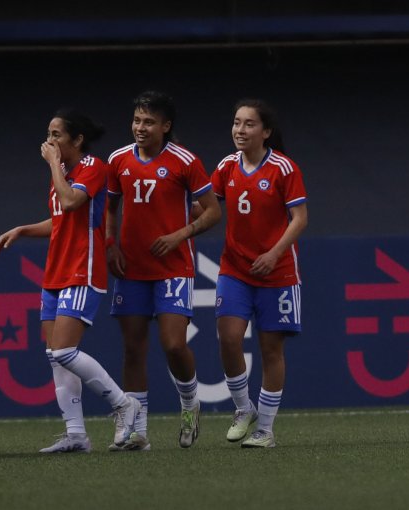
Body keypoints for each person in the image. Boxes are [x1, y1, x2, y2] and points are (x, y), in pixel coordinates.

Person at [0, 109, 141, 454]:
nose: (50, 141)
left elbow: (72, 201)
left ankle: (124, 404)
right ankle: (76, 434)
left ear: (77, 140)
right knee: (53, 354)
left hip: (83, 269)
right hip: (56, 272)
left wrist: (52, 165)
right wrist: (23, 230)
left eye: (57, 134)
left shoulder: (93, 167)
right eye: (49, 133)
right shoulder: (63, 172)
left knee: (64, 350)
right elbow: (60, 219)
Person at [105, 91, 222, 450]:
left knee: (172, 344)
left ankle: (190, 405)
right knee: (133, 349)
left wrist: (180, 235)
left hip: (174, 267)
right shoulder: (118, 159)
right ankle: (135, 431)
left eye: (149, 122)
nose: (141, 127)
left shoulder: (185, 161)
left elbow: (213, 211)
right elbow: (109, 208)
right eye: (137, 120)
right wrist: (111, 245)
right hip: (132, 268)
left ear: (165, 126)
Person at [210, 99, 307, 448]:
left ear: (265, 131)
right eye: (236, 123)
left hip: (277, 272)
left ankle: (265, 430)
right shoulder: (226, 167)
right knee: (229, 337)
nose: (240, 130)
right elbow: (206, 206)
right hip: (235, 268)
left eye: (249, 124)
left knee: (270, 350)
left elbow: (300, 219)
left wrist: (274, 253)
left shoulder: (283, 168)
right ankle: (242, 408)